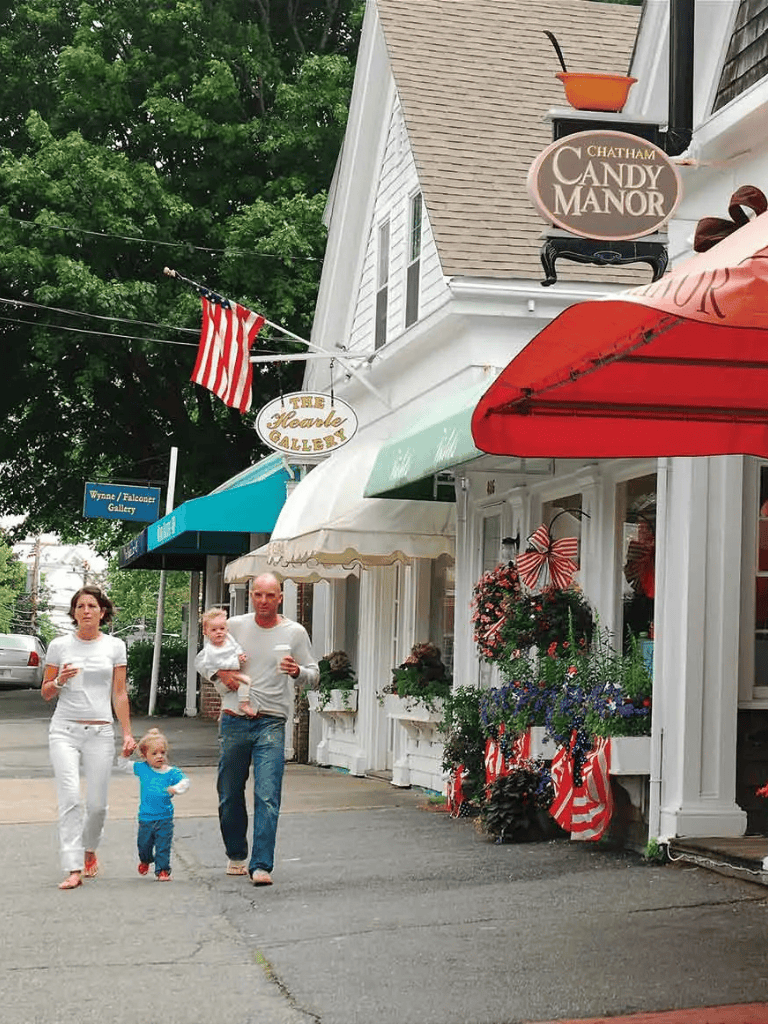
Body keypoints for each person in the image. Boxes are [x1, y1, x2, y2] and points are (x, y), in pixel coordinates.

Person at [202, 573, 318, 885]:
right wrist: (219, 678)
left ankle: (261, 865)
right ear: (252, 596)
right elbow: (206, 658)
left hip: (271, 720)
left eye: (270, 595)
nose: (263, 601)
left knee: (267, 795)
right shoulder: (235, 626)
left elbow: (314, 674)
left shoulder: (294, 632)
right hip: (234, 717)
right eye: (258, 595)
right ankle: (237, 854)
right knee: (229, 793)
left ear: (280, 597)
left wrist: (297, 671)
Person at [42, 585, 136, 890]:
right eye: (80, 606)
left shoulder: (115, 646)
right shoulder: (59, 646)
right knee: (69, 798)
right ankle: (73, 867)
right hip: (64, 730)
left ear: (102, 612)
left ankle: (90, 849)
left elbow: (119, 693)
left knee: (97, 805)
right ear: (73, 613)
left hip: (99, 731)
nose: (86, 611)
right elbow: (45, 692)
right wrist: (58, 680)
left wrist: (127, 734)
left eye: (92, 606)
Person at [116, 727, 190, 880]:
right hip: (146, 818)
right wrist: (125, 754)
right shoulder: (143, 769)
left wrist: (176, 788)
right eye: (154, 753)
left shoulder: (171, 772)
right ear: (144, 755)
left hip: (165, 818)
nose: (159, 756)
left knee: (163, 846)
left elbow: (185, 782)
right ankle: (145, 859)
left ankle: (162, 870)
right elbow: (123, 766)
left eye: (162, 753)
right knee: (144, 845)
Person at [195, 607, 255, 717]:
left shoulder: (228, 639)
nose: (219, 632)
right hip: (234, 706)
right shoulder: (213, 646)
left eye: (222, 629)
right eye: (214, 630)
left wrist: (239, 655)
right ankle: (238, 707)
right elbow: (200, 662)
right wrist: (220, 673)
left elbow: (235, 647)